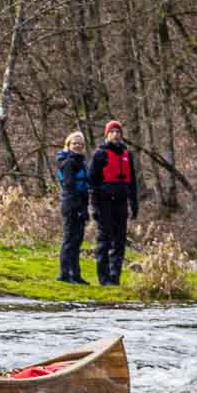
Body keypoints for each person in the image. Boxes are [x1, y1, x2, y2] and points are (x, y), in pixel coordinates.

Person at [86, 119, 138, 285]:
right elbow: (91, 182)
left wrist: (134, 203)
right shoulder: (100, 154)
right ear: (107, 135)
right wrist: (94, 206)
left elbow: (133, 182)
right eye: (112, 132)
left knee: (120, 241)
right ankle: (104, 278)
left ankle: (115, 276)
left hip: (121, 202)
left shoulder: (127, 154)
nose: (116, 135)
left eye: (118, 132)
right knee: (104, 240)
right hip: (104, 203)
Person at [55, 130, 91, 284]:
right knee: (69, 239)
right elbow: (70, 187)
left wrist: (84, 207)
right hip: (71, 204)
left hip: (80, 204)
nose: (77, 146)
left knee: (77, 240)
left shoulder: (81, 162)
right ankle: (64, 274)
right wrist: (79, 208)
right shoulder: (69, 163)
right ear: (68, 145)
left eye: (80, 144)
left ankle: (75, 274)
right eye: (74, 143)